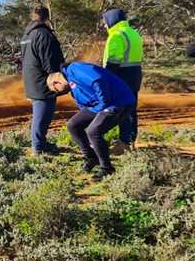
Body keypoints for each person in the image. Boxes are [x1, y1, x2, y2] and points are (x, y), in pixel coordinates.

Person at [46, 62, 136, 180]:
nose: (59, 93)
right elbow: (84, 106)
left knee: (93, 131)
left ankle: (107, 168)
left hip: (119, 101)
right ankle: (91, 157)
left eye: (56, 90)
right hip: (101, 105)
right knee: (73, 125)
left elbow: (98, 79)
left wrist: (103, 103)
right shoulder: (73, 89)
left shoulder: (74, 69)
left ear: (56, 82)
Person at [20, 6, 65, 155]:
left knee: (40, 113)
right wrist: (58, 75)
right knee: (42, 114)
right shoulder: (43, 34)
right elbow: (50, 60)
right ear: (47, 17)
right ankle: (38, 148)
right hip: (43, 81)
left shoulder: (27, 35)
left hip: (31, 79)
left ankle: (41, 144)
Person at [102, 9, 143, 152]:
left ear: (111, 20)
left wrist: (106, 78)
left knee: (121, 110)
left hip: (121, 76)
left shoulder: (117, 35)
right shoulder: (134, 33)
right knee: (131, 109)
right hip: (135, 75)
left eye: (105, 22)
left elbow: (113, 61)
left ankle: (123, 143)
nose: (105, 26)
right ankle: (130, 141)